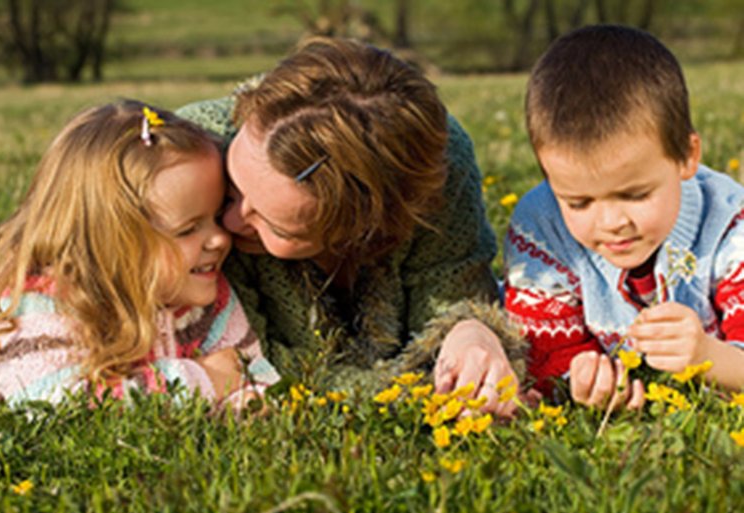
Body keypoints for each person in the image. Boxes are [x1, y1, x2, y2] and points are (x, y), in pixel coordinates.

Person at [178, 37, 526, 414]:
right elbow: (252, 365)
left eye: (278, 228)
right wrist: (420, 391)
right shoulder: (188, 162)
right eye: (232, 188)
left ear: (367, 231)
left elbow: (452, 285)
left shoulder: (437, 169)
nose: (227, 223)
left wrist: (471, 332)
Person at [504, 24, 744, 407]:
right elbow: (544, 354)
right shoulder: (541, 229)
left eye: (635, 195)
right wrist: (581, 380)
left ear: (686, 156)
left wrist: (709, 358)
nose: (611, 222)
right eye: (579, 203)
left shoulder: (730, 225)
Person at [0, 100, 279, 406]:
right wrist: (204, 380)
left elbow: (249, 373)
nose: (219, 239)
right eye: (187, 230)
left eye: (218, 213)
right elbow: (56, 405)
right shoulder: (47, 304)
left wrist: (249, 404)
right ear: (107, 242)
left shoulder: (205, 296)